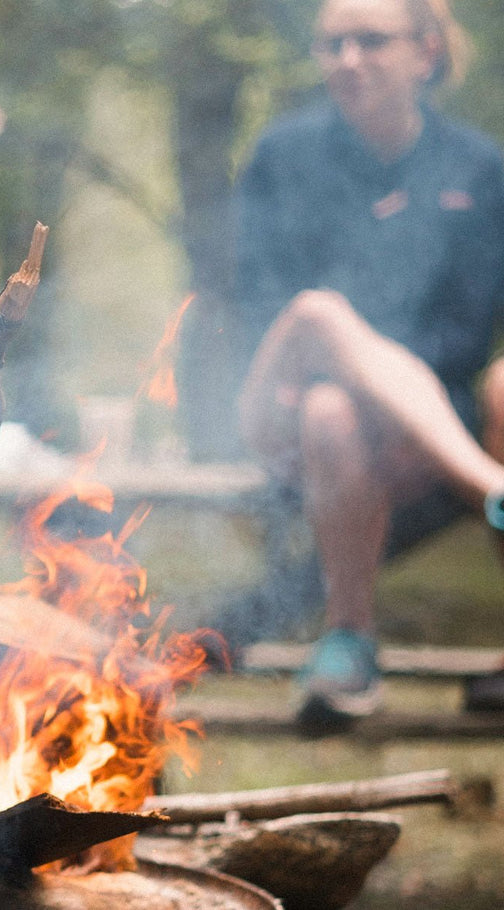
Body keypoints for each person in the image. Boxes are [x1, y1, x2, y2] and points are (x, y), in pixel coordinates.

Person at [232, 0, 504, 731]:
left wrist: (392, 393)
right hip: (283, 402)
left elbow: (471, 330)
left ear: (425, 52)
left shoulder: (479, 169)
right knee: (322, 323)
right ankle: (494, 489)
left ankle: (349, 651)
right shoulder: (282, 156)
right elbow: (259, 306)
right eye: (332, 44)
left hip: (405, 425)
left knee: (495, 385)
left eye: (371, 41)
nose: (348, 59)